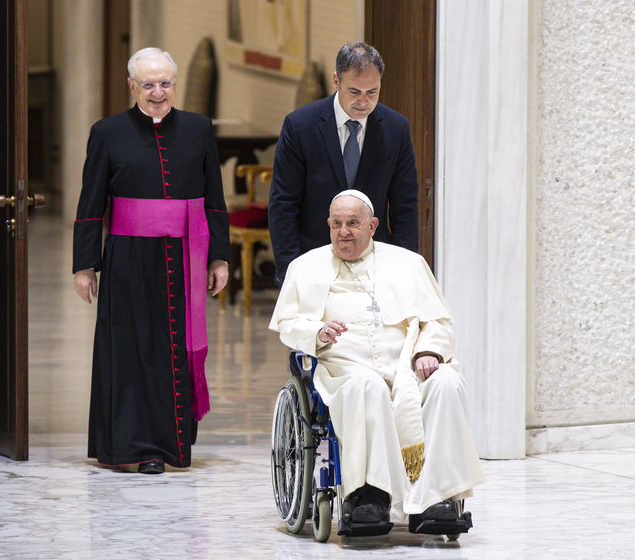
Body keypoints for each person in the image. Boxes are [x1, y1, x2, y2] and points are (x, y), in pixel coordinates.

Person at [269, 191, 485, 530]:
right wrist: (317, 332)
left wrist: (428, 351)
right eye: (337, 224)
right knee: (366, 386)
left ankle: (437, 497)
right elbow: (288, 325)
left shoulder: (408, 263)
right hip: (344, 369)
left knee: (445, 381)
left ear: (372, 226)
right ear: (328, 226)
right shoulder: (305, 266)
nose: (344, 232)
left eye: (353, 223)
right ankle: (370, 495)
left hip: (406, 365)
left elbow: (438, 323)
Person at [73, 48, 230, 475]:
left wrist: (219, 257)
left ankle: (169, 444)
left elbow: (214, 198)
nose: (158, 92)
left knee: (173, 350)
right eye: (148, 84)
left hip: (183, 255)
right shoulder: (107, 132)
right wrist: (85, 264)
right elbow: (91, 202)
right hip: (127, 257)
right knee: (130, 349)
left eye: (165, 83)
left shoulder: (198, 129)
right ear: (132, 86)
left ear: (174, 84)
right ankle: (135, 445)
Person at [268, 41, 419, 286]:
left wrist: (404, 269)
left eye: (372, 92)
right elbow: (283, 203)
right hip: (314, 259)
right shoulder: (300, 126)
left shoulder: (395, 128)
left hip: (376, 264)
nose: (363, 102)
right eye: (354, 92)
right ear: (336, 81)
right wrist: (290, 271)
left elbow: (405, 205)